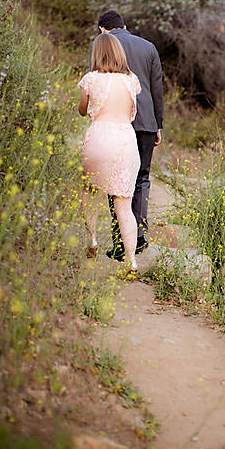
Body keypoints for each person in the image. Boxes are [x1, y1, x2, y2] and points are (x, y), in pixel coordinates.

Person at [91, 10, 163, 261]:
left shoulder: (100, 46)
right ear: (125, 25)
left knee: (115, 183)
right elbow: (156, 89)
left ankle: (121, 242)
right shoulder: (149, 47)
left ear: (102, 29)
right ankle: (139, 236)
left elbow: (96, 84)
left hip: (115, 122)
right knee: (141, 178)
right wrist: (158, 125)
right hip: (145, 123)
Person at [78, 33, 142, 273]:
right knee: (123, 204)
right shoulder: (130, 80)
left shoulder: (90, 79)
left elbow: (83, 111)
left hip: (99, 138)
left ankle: (92, 239)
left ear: (97, 54)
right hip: (125, 140)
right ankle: (132, 260)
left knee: (90, 192)